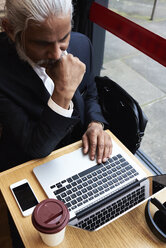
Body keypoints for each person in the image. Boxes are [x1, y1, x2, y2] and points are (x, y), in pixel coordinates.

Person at [0, 0, 112, 172]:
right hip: (28, 167)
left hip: (81, 155)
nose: (56, 54)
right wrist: (63, 91)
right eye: (42, 43)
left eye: (64, 37)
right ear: (10, 30)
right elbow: (36, 147)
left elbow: (90, 92)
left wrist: (95, 124)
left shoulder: (81, 44)